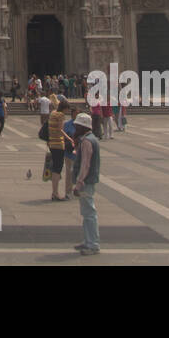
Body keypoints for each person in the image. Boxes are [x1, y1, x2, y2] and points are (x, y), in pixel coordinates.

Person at [72, 113, 100, 255]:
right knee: (86, 212)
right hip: (88, 181)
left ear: (83, 127)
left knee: (89, 213)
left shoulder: (87, 141)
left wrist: (79, 183)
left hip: (86, 182)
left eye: (77, 126)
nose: (75, 128)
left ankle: (93, 244)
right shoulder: (88, 139)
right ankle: (88, 241)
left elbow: (85, 164)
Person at [47, 97, 72, 202]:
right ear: (64, 108)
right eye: (67, 109)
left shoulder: (53, 113)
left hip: (51, 143)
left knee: (55, 168)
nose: (67, 112)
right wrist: (70, 138)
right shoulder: (61, 115)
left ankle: (54, 192)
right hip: (58, 143)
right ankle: (55, 193)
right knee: (58, 168)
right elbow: (61, 129)